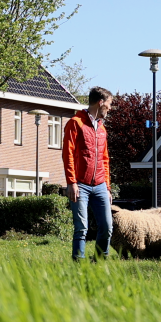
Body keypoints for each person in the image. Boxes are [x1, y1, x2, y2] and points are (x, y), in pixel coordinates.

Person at [62, 86, 114, 261]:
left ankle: (100, 262)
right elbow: (67, 153)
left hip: (100, 186)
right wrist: (72, 182)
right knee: (81, 228)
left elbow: (105, 160)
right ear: (100, 103)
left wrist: (107, 187)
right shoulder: (75, 123)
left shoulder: (102, 129)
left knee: (107, 227)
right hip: (80, 185)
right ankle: (78, 264)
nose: (110, 108)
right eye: (109, 104)